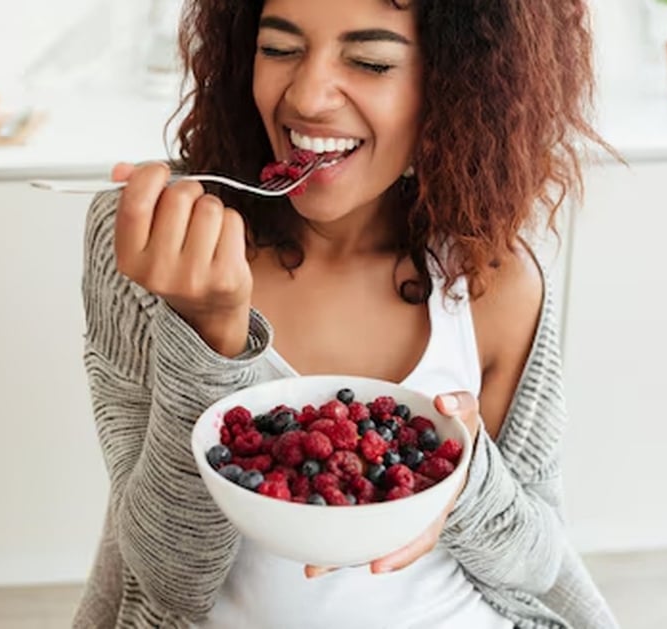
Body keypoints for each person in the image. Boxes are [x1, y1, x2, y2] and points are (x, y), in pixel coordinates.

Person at [73, 0, 619, 627]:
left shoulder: (492, 275)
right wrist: (209, 337)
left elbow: (538, 565)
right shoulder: (157, 249)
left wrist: (463, 481)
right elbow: (170, 580)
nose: (306, 97)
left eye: (370, 61)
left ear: (454, 80)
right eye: (278, 49)